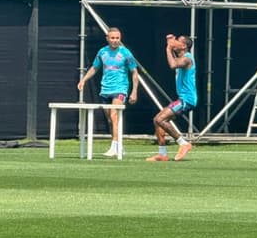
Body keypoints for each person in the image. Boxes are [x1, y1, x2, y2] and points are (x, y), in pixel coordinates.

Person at [77, 27, 138, 157]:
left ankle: (114, 147)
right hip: (105, 89)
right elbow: (95, 67)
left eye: (117, 38)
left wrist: (134, 91)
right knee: (110, 120)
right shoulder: (102, 52)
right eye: (112, 38)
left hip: (120, 88)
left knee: (114, 116)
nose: (115, 40)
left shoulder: (126, 53)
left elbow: (134, 72)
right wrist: (84, 80)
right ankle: (118, 145)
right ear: (107, 38)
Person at [148, 34, 196, 162]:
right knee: (157, 120)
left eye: (177, 42)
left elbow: (173, 65)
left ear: (184, 46)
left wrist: (168, 49)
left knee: (160, 119)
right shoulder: (182, 57)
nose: (174, 43)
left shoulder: (187, 59)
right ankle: (162, 154)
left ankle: (183, 143)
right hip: (183, 98)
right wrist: (171, 43)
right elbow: (175, 61)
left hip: (187, 99)